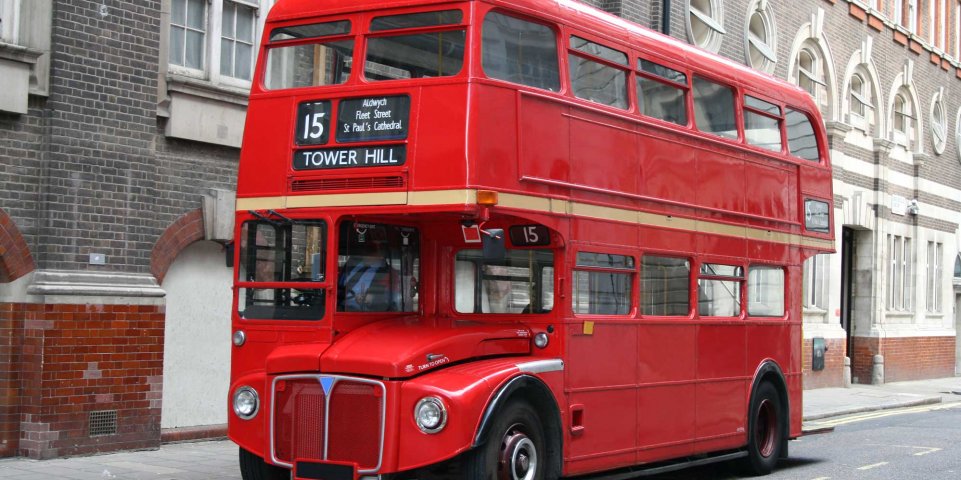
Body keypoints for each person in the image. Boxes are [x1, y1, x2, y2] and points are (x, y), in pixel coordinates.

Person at [338, 241, 397, 312]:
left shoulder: (389, 273)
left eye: (371, 250)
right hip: (338, 304)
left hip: (362, 311)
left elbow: (392, 297)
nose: (365, 253)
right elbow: (339, 282)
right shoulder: (353, 264)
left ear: (381, 254)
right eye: (365, 249)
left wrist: (373, 298)